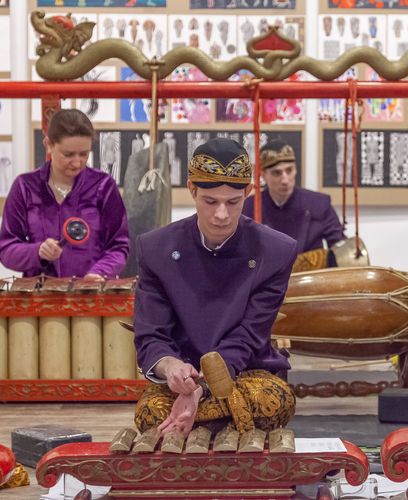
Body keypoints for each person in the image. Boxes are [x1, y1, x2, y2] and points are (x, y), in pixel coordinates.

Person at [133, 138, 297, 436]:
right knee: (150, 413)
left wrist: (203, 389)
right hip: (183, 378)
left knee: (275, 401)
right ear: (192, 190)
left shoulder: (276, 251)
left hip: (245, 371)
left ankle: (201, 422)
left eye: (232, 202)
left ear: (247, 192)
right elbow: (151, 334)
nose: (221, 214)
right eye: (210, 201)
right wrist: (171, 367)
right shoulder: (156, 249)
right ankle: (215, 424)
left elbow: (248, 336)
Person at [0, 109, 128, 279]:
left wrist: (99, 272)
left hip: (91, 294)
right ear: (49, 144)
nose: (77, 162)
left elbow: (119, 246)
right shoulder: (25, 186)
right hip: (40, 298)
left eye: (84, 154)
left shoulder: (103, 186)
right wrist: (37, 251)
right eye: (68, 154)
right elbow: (6, 248)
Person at [242, 141, 344, 256]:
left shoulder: (319, 204)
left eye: (289, 170)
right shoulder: (249, 208)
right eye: (277, 173)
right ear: (264, 174)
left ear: (295, 169)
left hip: (310, 273)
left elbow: (339, 246)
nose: (285, 180)